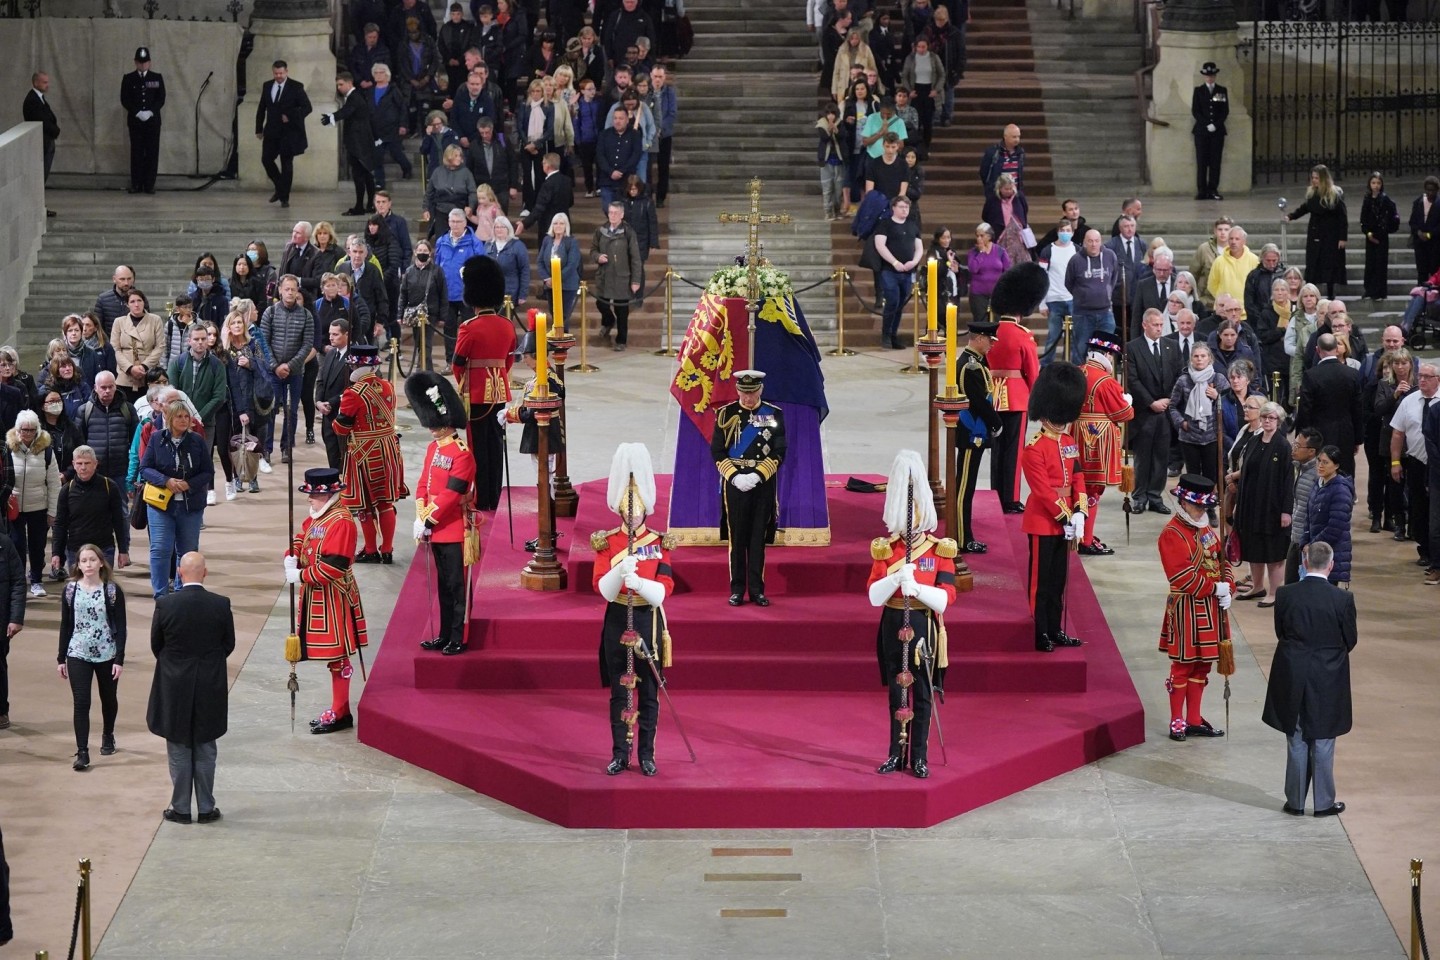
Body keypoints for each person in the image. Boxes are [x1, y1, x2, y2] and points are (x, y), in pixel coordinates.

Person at [867, 450, 957, 779]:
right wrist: (894, 578)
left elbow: (946, 599)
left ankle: (919, 755)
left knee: (920, 693)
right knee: (896, 691)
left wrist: (916, 588)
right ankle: (895, 752)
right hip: (892, 622)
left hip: (922, 625)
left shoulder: (938, 549)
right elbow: (874, 597)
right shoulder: (886, 549)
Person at [591, 442, 673, 776]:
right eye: (627, 509)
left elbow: (664, 591)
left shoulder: (658, 542)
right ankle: (619, 754)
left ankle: (647, 754)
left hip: (646, 617)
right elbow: (602, 589)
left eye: (637, 508)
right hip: (617, 618)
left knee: (649, 693)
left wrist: (639, 583)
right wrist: (618, 572)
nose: (632, 514)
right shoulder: (607, 541)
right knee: (618, 691)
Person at [1263, 540, 1355, 817]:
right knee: (1324, 736)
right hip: (1328, 674)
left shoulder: (1286, 594)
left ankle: (1295, 802)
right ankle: (1324, 803)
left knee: (1297, 734)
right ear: (1331, 565)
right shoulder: (1342, 599)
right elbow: (1350, 639)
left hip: (1292, 671)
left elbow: (1281, 632)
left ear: (1304, 563)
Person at [147, 551, 234, 824]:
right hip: (210, 684)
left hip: (174, 685)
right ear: (205, 573)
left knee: (179, 746)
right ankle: (207, 808)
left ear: (179, 573)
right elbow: (227, 644)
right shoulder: (220, 604)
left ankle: (181, 808)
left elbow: (156, 645)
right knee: (206, 746)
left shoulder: (166, 605)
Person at [285, 468, 369, 735]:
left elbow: (335, 566)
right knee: (334, 658)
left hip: (334, 597)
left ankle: (341, 711)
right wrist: (292, 554)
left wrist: (300, 574)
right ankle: (339, 709)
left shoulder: (341, 521)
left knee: (339, 657)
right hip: (317, 596)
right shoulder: (321, 516)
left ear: (329, 494)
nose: (309, 499)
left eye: (313, 494)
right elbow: (303, 537)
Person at [1158, 473, 1232, 741]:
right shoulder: (1172, 533)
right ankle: (1176, 719)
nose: (1202, 510)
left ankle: (1194, 718)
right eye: (1198, 506)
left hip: (1210, 609)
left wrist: (1229, 589)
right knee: (1183, 666)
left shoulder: (1206, 530)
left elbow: (1222, 562)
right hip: (1186, 608)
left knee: (1202, 666)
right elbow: (1180, 576)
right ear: (1184, 502)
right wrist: (1215, 588)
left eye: (1205, 507)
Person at [1022, 361, 1087, 653]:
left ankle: (1056, 628)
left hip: (1067, 520)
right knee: (1041, 582)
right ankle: (1039, 632)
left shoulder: (1069, 441)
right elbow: (1043, 491)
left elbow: (1078, 476)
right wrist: (1066, 516)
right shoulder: (1033, 448)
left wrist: (1081, 511)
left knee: (1059, 580)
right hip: (1042, 521)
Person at [409, 371, 475, 656]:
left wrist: (429, 518)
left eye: (436, 425)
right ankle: (445, 633)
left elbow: (452, 494)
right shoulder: (433, 447)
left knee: (456, 586)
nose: (432, 430)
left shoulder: (463, 454)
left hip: (452, 527)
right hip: (434, 526)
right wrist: (420, 513)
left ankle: (458, 636)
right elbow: (424, 482)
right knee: (442, 587)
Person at [711, 371, 786, 606]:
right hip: (735, 483)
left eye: (752, 392)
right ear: (737, 390)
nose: (748, 398)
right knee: (738, 537)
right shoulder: (726, 414)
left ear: (760, 390)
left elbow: (779, 451)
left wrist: (757, 475)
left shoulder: (774, 414)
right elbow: (717, 451)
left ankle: (756, 590)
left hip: (762, 483)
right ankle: (736, 589)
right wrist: (734, 476)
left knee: (757, 539)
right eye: (744, 392)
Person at [332, 345, 408, 565]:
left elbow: (341, 429)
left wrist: (335, 416)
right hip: (389, 450)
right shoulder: (388, 386)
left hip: (364, 454)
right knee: (385, 503)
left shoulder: (352, 393)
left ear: (356, 366)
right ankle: (387, 550)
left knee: (364, 505)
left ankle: (371, 549)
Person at [451, 256, 515, 511]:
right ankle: (495, 497)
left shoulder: (469, 327)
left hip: (476, 395)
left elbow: (457, 363)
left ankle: (481, 498)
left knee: (477, 448)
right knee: (496, 446)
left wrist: (464, 386)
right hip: (499, 393)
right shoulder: (508, 326)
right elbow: (508, 362)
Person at [56, 544, 127, 772]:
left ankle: (108, 735)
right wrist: (61, 657)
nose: (87, 564)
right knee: (81, 702)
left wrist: (119, 659)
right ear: (78, 564)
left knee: (108, 699)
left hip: (106, 652)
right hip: (78, 652)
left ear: (101, 563)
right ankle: (83, 751)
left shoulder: (112, 591)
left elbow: (122, 628)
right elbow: (66, 625)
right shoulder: (70, 591)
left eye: (92, 560)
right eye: (83, 560)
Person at [987, 264, 1046, 514]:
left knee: (997, 450)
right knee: (1013, 451)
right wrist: (1039, 399)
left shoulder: (990, 332)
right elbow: (1032, 372)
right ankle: (1010, 498)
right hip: (1016, 397)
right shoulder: (1023, 335)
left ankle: (995, 492)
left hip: (993, 397)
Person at [139, 400, 211, 599]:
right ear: (169, 419)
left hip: (190, 506)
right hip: (161, 506)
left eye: (186, 416)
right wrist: (166, 480)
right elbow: (144, 469)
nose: (183, 420)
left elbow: (207, 471)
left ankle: (182, 593)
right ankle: (160, 595)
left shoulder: (196, 441)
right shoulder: (156, 439)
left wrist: (190, 484)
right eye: (178, 416)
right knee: (160, 549)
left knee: (188, 551)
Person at [1075, 333, 1134, 555]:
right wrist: (1127, 401)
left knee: (1080, 485)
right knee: (1092, 489)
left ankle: (1082, 532)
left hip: (1076, 435)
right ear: (1108, 354)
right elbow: (1123, 413)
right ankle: (1086, 539)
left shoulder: (1078, 372)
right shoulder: (1105, 380)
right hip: (1097, 440)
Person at [1127, 308, 1183, 513]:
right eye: (1155, 325)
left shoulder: (1172, 346)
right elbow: (1132, 380)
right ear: (1145, 325)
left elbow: (1180, 375)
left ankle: (1155, 497)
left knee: (1161, 456)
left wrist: (1169, 400)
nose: (1159, 328)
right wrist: (1151, 402)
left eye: (1161, 325)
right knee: (1143, 457)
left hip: (1166, 411)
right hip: (1144, 412)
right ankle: (1139, 496)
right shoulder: (1133, 348)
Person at [955, 318, 1002, 553]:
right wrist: (996, 422)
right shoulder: (970, 365)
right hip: (972, 431)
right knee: (964, 487)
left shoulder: (976, 362)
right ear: (980, 338)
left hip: (978, 431)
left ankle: (964, 535)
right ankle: (962, 538)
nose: (993, 344)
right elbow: (976, 402)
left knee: (968, 486)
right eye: (990, 340)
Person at [167, 325, 229, 503]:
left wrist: (197, 418)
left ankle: (197, 508)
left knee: (199, 465)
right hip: (177, 424)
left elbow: (219, 397)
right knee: (177, 465)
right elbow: (173, 393)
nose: (200, 342)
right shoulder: (177, 363)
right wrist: (184, 419)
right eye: (196, 339)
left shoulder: (217, 365)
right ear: (189, 341)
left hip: (205, 424)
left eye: (204, 338)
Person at [259, 275, 317, 465]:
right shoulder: (270, 312)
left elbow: (307, 344)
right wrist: (275, 366)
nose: (290, 292)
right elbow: (263, 343)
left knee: (291, 411)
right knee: (270, 410)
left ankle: (286, 448)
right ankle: (266, 449)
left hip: (295, 373)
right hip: (272, 372)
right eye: (287, 289)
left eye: (293, 289)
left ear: (297, 290)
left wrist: (290, 366)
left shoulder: (306, 315)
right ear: (281, 291)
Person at [51, 446, 129, 574]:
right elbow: (60, 524)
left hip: (104, 549)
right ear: (73, 465)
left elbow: (119, 522)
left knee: (103, 588)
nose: (83, 467)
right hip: (75, 550)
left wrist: (123, 550)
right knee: (78, 590)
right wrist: (56, 553)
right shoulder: (66, 490)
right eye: (79, 463)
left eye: (87, 463)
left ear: (95, 464)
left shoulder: (109, 487)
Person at [7, 411, 60, 599]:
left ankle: (37, 580)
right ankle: (19, 582)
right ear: (17, 429)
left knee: (37, 547)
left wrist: (53, 511)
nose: (27, 433)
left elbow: (54, 483)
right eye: (24, 430)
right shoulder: (7, 449)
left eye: (31, 429)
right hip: (13, 509)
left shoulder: (46, 451)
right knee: (17, 545)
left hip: (39, 506)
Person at [1296, 333, 1364, 477]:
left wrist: (1301, 437)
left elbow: (1305, 409)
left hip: (1319, 435)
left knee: (1320, 473)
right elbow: (1357, 408)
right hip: (1346, 433)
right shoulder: (1352, 374)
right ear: (1336, 349)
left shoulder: (1311, 375)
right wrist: (1358, 438)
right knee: (1344, 471)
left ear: (1317, 350)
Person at [255, 60, 313, 209]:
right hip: (271, 131)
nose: (278, 76)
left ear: (287, 71)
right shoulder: (267, 86)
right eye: (276, 73)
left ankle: (284, 198)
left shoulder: (296, 86)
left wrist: (291, 115)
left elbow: (307, 107)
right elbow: (262, 107)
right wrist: (258, 128)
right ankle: (281, 188)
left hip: (289, 133)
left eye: (281, 73)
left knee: (287, 164)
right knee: (266, 159)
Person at [1285, 164, 1348, 299]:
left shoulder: (1334, 195)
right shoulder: (1312, 193)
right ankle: (1310, 293)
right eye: (1313, 178)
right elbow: (1305, 208)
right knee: (1313, 263)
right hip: (1315, 233)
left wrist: (1342, 238)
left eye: (1317, 178)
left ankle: (1331, 294)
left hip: (1330, 235)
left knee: (1329, 264)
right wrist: (1291, 216)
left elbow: (1342, 217)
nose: (1314, 180)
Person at [322, 71, 378, 217]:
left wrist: (331, 117)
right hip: (361, 143)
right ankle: (369, 205)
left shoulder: (354, 97)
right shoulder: (354, 97)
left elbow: (346, 111)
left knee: (360, 175)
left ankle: (360, 206)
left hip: (358, 144)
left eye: (341, 84)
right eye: (337, 85)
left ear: (349, 83)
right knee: (365, 175)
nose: (339, 87)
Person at [1169, 343, 1226, 485]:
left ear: (1209, 359)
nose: (1199, 359)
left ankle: (1209, 504)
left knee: (1210, 473)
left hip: (1212, 435)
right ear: (1191, 360)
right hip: (1189, 436)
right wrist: (1182, 423)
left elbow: (1231, 404)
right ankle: (1193, 504)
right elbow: (1172, 406)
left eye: (1203, 356)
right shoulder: (1183, 380)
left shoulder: (1218, 379)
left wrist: (1217, 396)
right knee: (1192, 475)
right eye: (1196, 356)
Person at [592, 201, 644, 350]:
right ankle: (608, 321)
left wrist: (635, 280)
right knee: (601, 303)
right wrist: (598, 257)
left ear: (622, 215)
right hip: (605, 275)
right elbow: (593, 250)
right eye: (610, 213)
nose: (612, 216)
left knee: (622, 311)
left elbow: (635, 258)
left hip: (622, 276)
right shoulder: (600, 231)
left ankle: (621, 341)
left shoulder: (628, 232)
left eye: (615, 213)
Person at [873, 195, 923, 350]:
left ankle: (894, 335)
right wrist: (895, 262)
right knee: (892, 300)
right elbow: (880, 245)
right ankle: (886, 334)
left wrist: (914, 262)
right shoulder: (885, 224)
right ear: (893, 208)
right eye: (901, 207)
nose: (905, 210)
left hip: (907, 271)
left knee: (901, 303)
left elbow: (919, 247)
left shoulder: (912, 225)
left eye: (907, 207)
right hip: (889, 270)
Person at [1064, 229, 1118, 366]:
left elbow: (1114, 278)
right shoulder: (1075, 260)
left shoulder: (1110, 256)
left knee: (1105, 352)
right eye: (1090, 241)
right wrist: (1084, 296)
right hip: (1083, 314)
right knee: (1080, 351)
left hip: (1105, 313)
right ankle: (1079, 384)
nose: (1094, 244)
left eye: (1096, 241)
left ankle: (1102, 384)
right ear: (1084, 243)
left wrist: (1105, 294)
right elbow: (1068, 283)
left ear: (1101, 242)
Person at [1306, 445, 1354, 587]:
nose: (1320, 465)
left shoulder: (1341, 491)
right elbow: (1308, 517)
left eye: (1325, 462)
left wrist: (1312, 544)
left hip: (1331, 553)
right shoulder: (1317, 484)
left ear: (1336, 465)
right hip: (1313, 550)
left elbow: (1335, 527)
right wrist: (1305, 541)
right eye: (1319, 461)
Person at [119, 48, 165, 195]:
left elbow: (161, 98)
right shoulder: (128, 78)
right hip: (136, 122)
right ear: (135, 62)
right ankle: (136, 184)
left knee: (152, 153)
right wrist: (137, 112)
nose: (143, 65)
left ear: (149, 63)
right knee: (137, 153)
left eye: (145, 62)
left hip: (152, 122)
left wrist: (151, 111)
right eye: (140, 62)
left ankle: (149, 184)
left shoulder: (156, 78)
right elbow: (125, 99)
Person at [1285, 427, 1323, 585]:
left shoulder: (1317, 476)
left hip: (1307, 544)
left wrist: (1309, 541)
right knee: (1290, 586)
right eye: (1294, 444)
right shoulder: (1298, 468)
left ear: (1311, 452)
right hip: (1295, 539)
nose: (1293, 449)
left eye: (1298, 446)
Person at [23, 70, 60, 214]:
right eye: (44, 82)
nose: (47, 85)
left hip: (46, 142)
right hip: (41, 142)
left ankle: (38, 207)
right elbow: (42, 120)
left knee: (41, 177)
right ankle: (36, 208)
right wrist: (55, 130)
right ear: (35, 82)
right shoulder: (33, 100)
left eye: (47, 82)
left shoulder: (39, 98)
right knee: (39, 177)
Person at [1359, 171, 1400, 301]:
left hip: (1381, 237)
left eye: (1378, 183)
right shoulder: (1367, 199)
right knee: (1370, 263)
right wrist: (1368, 233)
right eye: (1373, 183)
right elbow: (1363, 218)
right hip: (1370, 237)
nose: (1375, 186)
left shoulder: (1385, 199)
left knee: (1380, 264)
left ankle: (1380, 291)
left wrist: (1386, 230)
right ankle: (1369, 289)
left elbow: (1394, 216)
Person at [1191, 62, 1227, 201]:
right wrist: (1206, 124)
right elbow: (1196, 111)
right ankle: (1202, 190)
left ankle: (1213, 189)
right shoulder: (1199, 91)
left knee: (1215, 162)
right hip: (1201, 131)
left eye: (1212, 76)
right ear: (1204, 76)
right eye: (1207, 76)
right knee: (1202, 161)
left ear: (1215, 76)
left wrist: (1216, 125)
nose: (1210, 78)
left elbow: (1224, 111)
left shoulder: (1221, 90)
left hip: (1217, 132)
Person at [538, 214, 581, 329]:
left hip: (567, 285)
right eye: (555, 223)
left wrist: (556, 278)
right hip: (550, 284)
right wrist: (547, 278)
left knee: (563, 315)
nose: (558, 226)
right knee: (554, 313)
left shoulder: (571, 242)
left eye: (561, 223)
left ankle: (562, 341)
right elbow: (540, 261)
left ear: (566, 226)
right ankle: (556, 340)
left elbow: (572, 265)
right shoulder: (547, 240)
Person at [966, 222, 1010, 329]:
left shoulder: (1000, 251)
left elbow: (1008, 270)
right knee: (981, 324)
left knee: (998, 323)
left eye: (982, 235)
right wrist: (981, 253)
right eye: (977, 236)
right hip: (978, 294)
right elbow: (973, 269)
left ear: (989, 236)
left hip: (996, 294)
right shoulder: (973, 252)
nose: (979, 238)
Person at [1409, 176, 1440, 284]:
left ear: (1437, 190)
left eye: (1432, 190)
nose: (1430, 193)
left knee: (1434, 270)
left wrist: (1430, 234)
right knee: (1422, 271)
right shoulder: (1418, 202)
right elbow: (1412, 221)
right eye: (1428, 190)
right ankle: (1421, 295)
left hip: (1435, 244)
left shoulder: (1439, 203)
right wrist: (1418, 232)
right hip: (1420, 243)